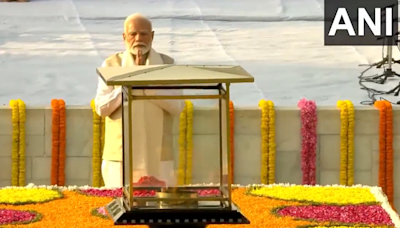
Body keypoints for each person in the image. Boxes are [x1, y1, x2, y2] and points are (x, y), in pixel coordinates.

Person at [94, 14, 184, 188]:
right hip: (120, 156)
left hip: (159, 156)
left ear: (152, 36)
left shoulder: (167, 64)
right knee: (120, 207)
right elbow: (101, 108)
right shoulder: (111, 65)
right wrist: (127, 88)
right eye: (133, 34)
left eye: (144, 34)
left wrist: (149, 88)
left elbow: (177, 107)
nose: (138, 39)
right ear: (124, 37)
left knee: (160, 208)